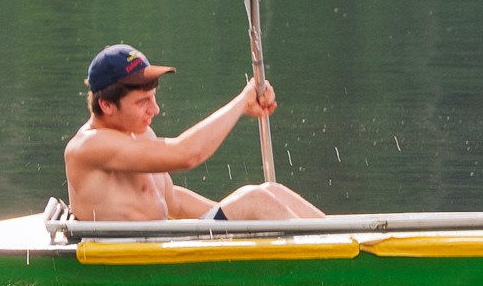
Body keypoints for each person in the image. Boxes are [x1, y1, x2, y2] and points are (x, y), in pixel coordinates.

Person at [63, 44, 327, 222]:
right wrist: (241, 103)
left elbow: (173, 202)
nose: (154, 109)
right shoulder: (89, 146)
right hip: (128, 256)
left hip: (161, 245)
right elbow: (187, 154)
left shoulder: (139, 134)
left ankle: (350, 244)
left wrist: (231, 214)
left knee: (269, 191)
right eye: (142, 102)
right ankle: (330, 260)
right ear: (106, 105)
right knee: (255, 199)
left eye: (153, 98)